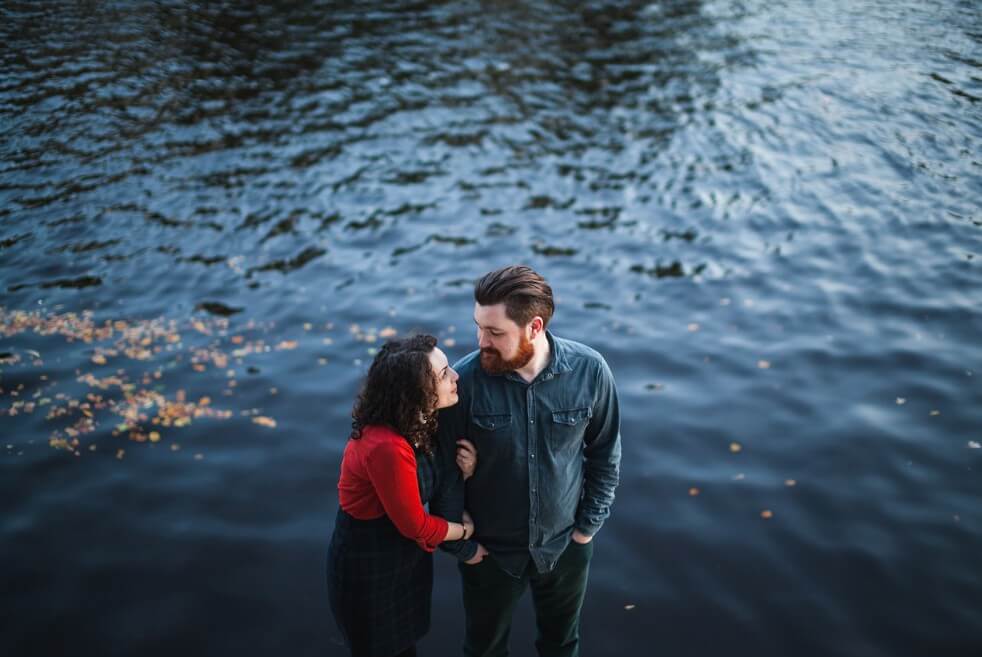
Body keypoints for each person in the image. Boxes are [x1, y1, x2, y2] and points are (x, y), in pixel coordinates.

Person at [432, 265, 622, 657]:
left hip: (565, 548)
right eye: (479, 327)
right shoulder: (462, 384)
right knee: (483, 649)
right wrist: (464, 550)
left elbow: (605, 454)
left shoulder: (590, 372)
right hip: (490, 555)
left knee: (561, 645)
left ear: (534, 327)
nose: (481, 341)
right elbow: (445, 473)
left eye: (495, 332)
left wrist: (586, 528)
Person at [327, 334, 478, 657]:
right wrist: (465, 532)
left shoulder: (416, 420)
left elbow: (428, 478)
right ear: (415, 393)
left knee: (404, 645)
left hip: (401, 556)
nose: (455, 377)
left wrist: (466, 469)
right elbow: (416, 527)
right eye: (443, 374)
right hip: (371, 563)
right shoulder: (387, 446)